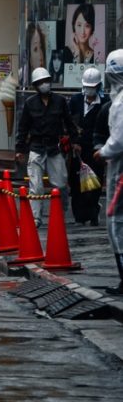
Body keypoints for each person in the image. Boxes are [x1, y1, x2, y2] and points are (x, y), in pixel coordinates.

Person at [15, 65, 79, 226]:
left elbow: (69, 123)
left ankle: (61, 212)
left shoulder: (60, 101)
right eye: (41, 82)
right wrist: (20, 149)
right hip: (36, 147)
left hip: (54, 147)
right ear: (36, 85)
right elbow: (23, 127)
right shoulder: (30, 103)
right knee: (35, 186)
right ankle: (36, 217)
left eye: (46, 81)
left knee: (61, 183)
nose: (44, 84)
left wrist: (75, 141)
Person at [97, 51, 123, 294]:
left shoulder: (119, 103)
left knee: (115, 222)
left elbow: (118, 140)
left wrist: (102, 152)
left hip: (120, 170)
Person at [68, 66, 105, 225]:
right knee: (76, 183)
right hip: (78, 150)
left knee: (94, 183)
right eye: (87, 87)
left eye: (92, 87)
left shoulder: (104, 104)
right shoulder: (75, 101)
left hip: (96, 150)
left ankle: (93, 212)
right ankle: (79, 216)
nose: (89, 91)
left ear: (98, 86)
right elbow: (69, 123)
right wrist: (73, 142)